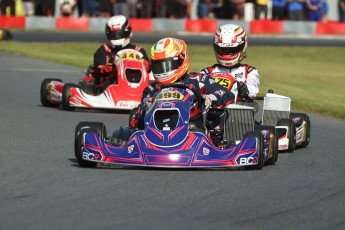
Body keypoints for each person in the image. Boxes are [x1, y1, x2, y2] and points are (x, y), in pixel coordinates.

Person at [129, 37, 235, 131]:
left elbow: (226, 94)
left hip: (194, 131)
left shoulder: (197, 79)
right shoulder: (152, 88)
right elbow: (137, 119)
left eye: (167, 65)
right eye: (159, 66)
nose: (163, 70)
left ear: (181, 59)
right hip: (158, 132)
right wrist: (146, 107)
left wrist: (211, 98)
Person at [200, 24, 260, 101]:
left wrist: (245, 89)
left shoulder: (250, 71)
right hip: (213, 111)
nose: (227, 54)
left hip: (240, 110)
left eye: (232, 50)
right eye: (223, 50)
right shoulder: (207, 72)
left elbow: (254, 89)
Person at [92, 15, 151, 93]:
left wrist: (144, 64)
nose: (117, 38)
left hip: (137, 83)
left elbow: (148, 68)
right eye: (114, 35)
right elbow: (98, 70)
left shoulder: (138, 51)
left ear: (128, 31)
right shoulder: (104, 50)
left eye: (120, 34)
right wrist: (110, 67)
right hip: (112, 83)